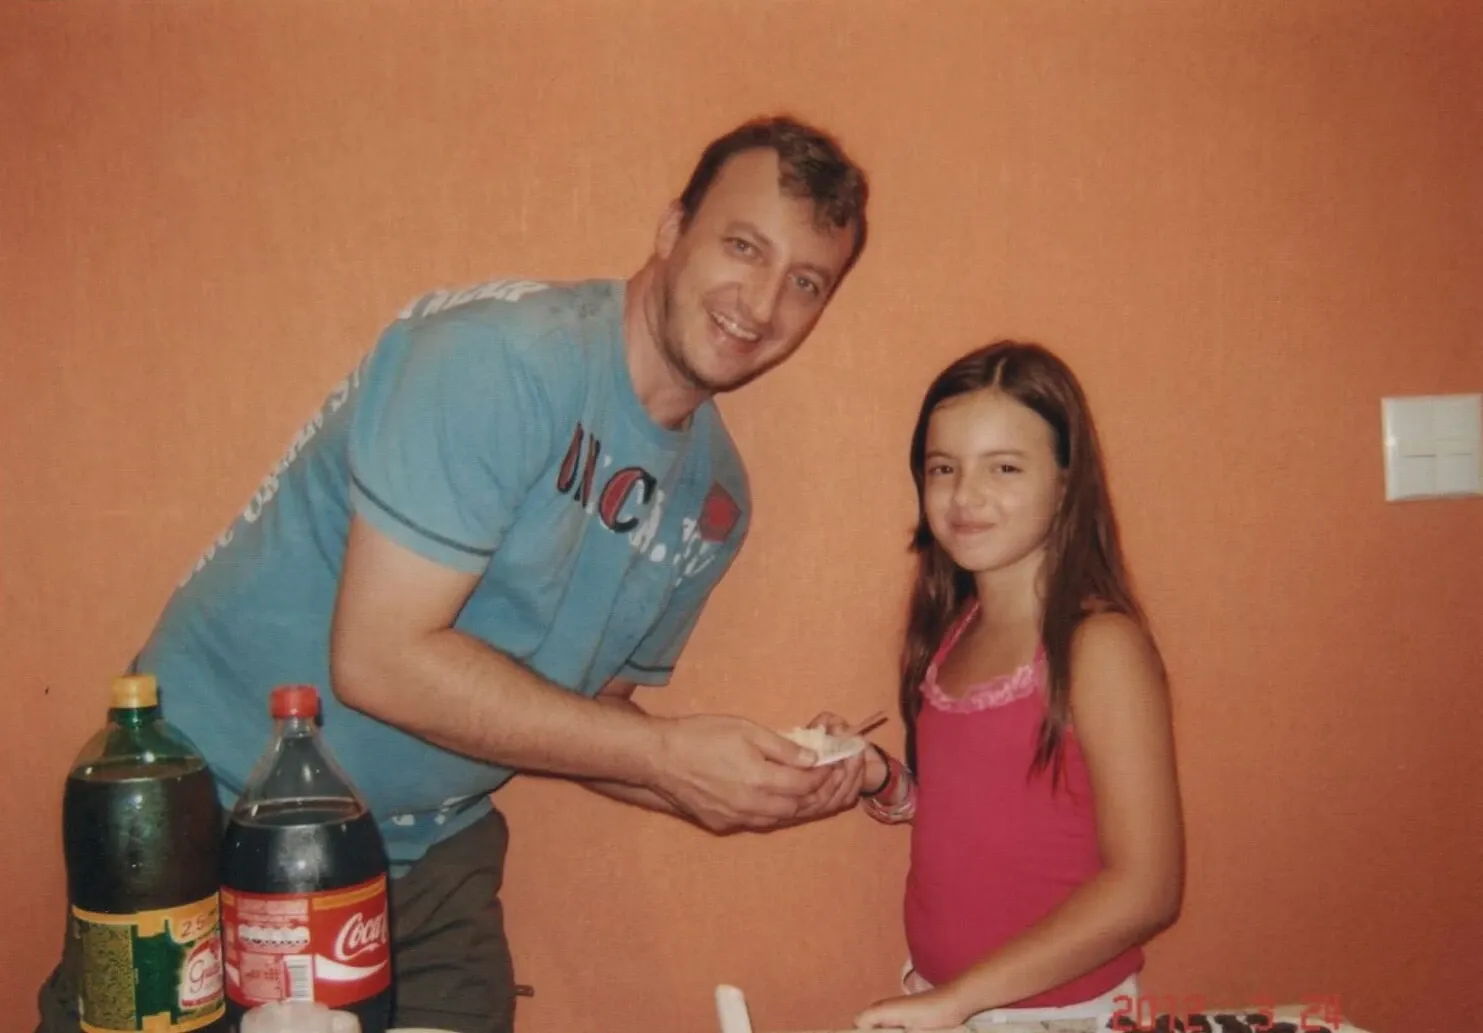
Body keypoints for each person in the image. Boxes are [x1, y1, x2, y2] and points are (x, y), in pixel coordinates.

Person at [37, 114, 872, 1033]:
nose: (762, 302)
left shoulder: (714, 501)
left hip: (427, 845)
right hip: (220, 812)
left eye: (805, 282)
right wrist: (667, 759)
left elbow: (588, 725)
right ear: (673, 229)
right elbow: (381, 660)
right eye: (743, 246)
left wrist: (737, 779)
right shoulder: (501, 359)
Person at [847, 341, 1184, 1029]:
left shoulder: (1097, 647)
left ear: (1065, 483)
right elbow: (974, 815)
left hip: (1059, 1015)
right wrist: (877, 777)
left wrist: (959, 999)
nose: (965, 495)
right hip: (950, 1001)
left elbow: (1148, 887)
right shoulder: (949, 633)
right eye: (943, 467)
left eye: (1003, 467)